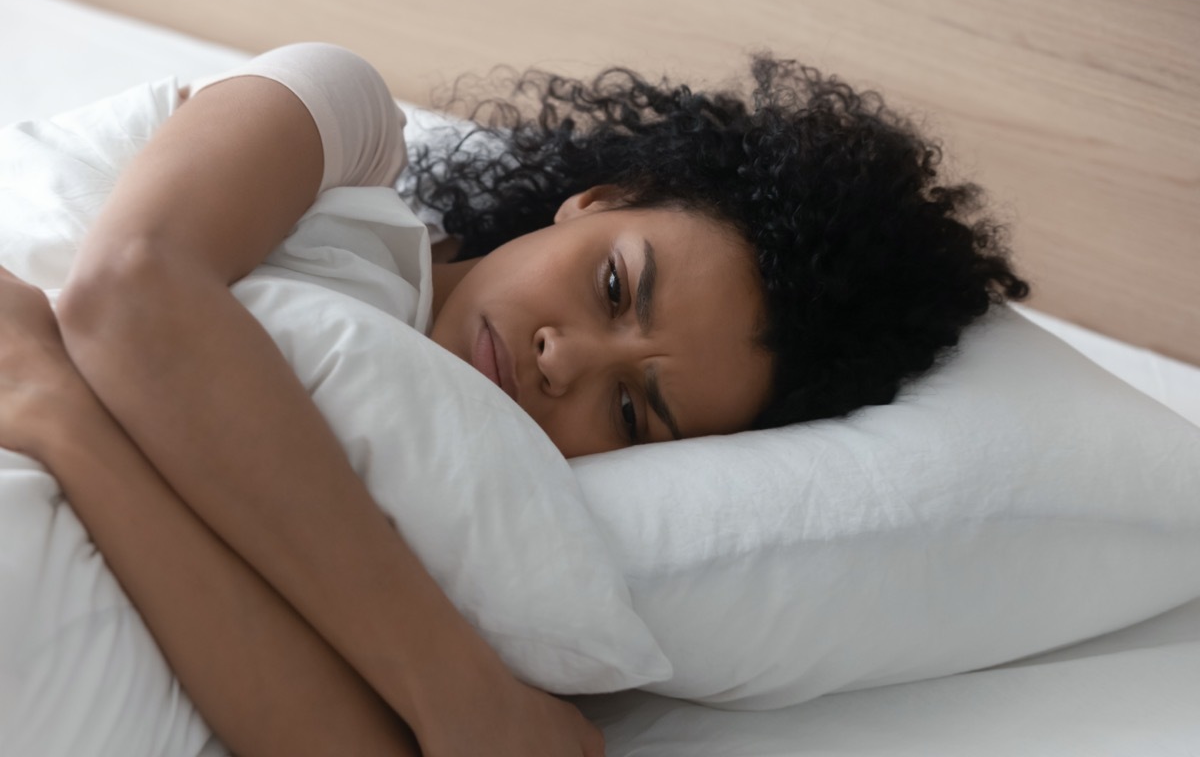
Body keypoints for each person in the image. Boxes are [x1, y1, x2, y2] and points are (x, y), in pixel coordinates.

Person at [0, 43, 1027, 756]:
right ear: (598, 201)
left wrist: (62, 415)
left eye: (631, 411)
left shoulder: (483, 548)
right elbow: (129, 288)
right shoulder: (339, 136)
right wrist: (458, 688)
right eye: (613, 285)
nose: (564, 359)